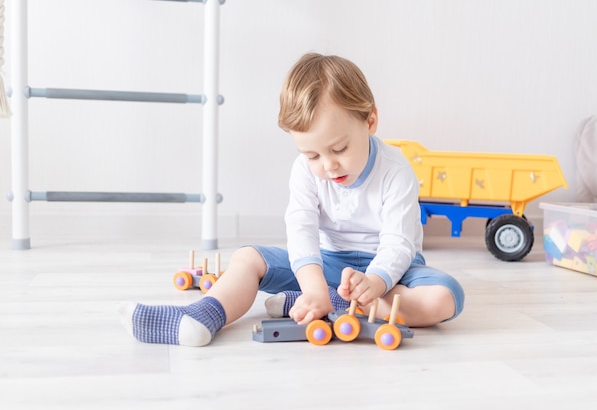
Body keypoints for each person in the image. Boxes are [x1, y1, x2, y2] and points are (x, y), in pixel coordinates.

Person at [118, 53, 465, 347]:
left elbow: (399, 243)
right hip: (326, 263)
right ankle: (203, 316)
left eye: (339, 149)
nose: (328, 166)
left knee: (445, 297)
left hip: (393, 272)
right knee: (248, 258)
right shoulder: (304, 170)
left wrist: (374, 282)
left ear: (370, 120)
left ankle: (337, 301)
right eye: (312, 155)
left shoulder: (396, 170)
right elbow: (301, 229)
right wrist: (313, 285)